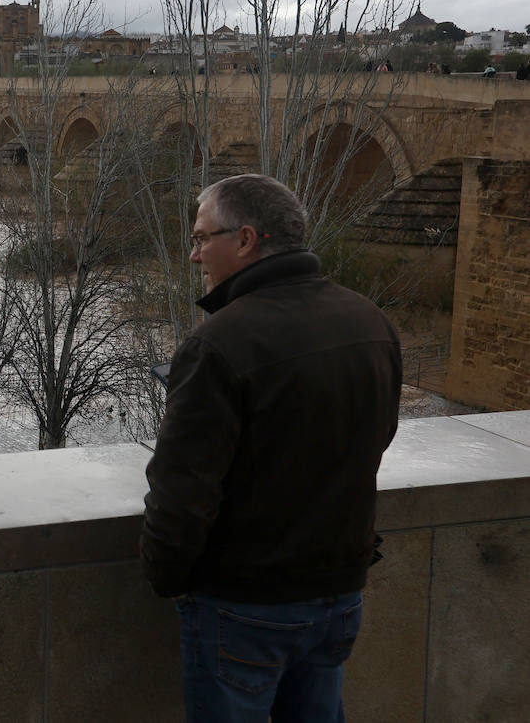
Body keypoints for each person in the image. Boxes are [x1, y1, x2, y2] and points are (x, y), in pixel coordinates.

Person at [141, 174, 400, 722]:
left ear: (245, 240)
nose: (193, 254)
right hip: (339, 594)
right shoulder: (369, 321)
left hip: (246, 603)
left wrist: (168, 578)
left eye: (202, 237)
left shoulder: (219, 343)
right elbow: (374, 443)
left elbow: (182, 488)